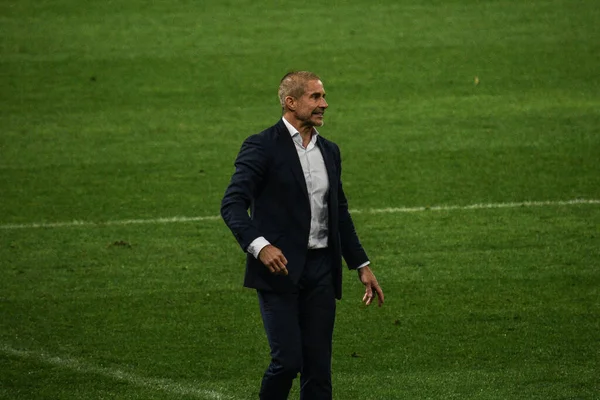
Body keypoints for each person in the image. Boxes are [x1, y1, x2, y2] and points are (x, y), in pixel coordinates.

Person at [220, 71, 384, 400]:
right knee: (287, 362)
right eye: (315, 97)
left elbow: (338, 212)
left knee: (319, 368)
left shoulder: (330, 152)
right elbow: (232, 204)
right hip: (279, 270)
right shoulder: (262, 146)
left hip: (321, 269)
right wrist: (260, 247)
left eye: (323, 97)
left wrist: (361, 265)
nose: (324, 104)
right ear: (290, 102)